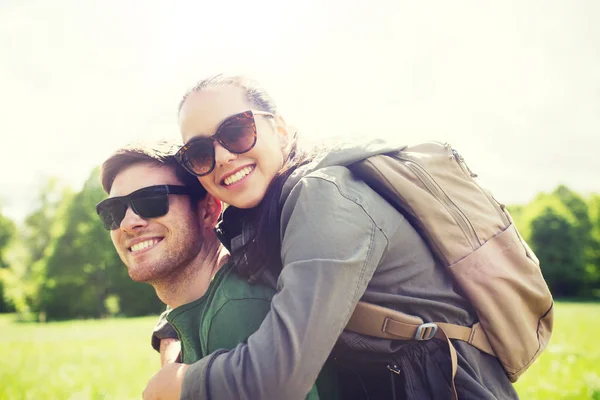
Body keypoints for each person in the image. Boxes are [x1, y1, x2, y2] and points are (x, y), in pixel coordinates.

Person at [145, 74, 519, 400]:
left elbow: (277, 378)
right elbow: (229, 279)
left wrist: (181, 384)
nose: (222, 156)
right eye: (197, 152)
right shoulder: (259, 217)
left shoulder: (324, 198)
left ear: (279, 129)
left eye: (237, 131)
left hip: (441, 387)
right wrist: (171, 329)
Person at [97, 143, 338, 400]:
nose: (127, 223)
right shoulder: (203, 304)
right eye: (114, 211)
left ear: (208, 210)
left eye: (152, 201)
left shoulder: (238, 309)